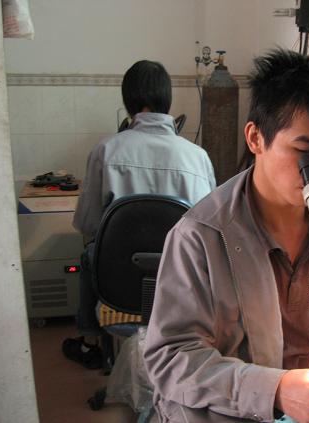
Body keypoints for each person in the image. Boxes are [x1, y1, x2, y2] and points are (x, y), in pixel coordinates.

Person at [144, 49, 309, 423]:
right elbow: (169, 358)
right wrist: (274, 389)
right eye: (305, 151)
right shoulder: (200, 236)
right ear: (256, 138)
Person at [63, 60, 216, 369]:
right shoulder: (198, 157)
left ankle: (91, 342)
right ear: (167, 98)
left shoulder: (106, 151)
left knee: (89, 254)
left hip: (120, 286)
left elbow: (87, 224)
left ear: (128, 100)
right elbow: (208, 230)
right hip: (181, 287)